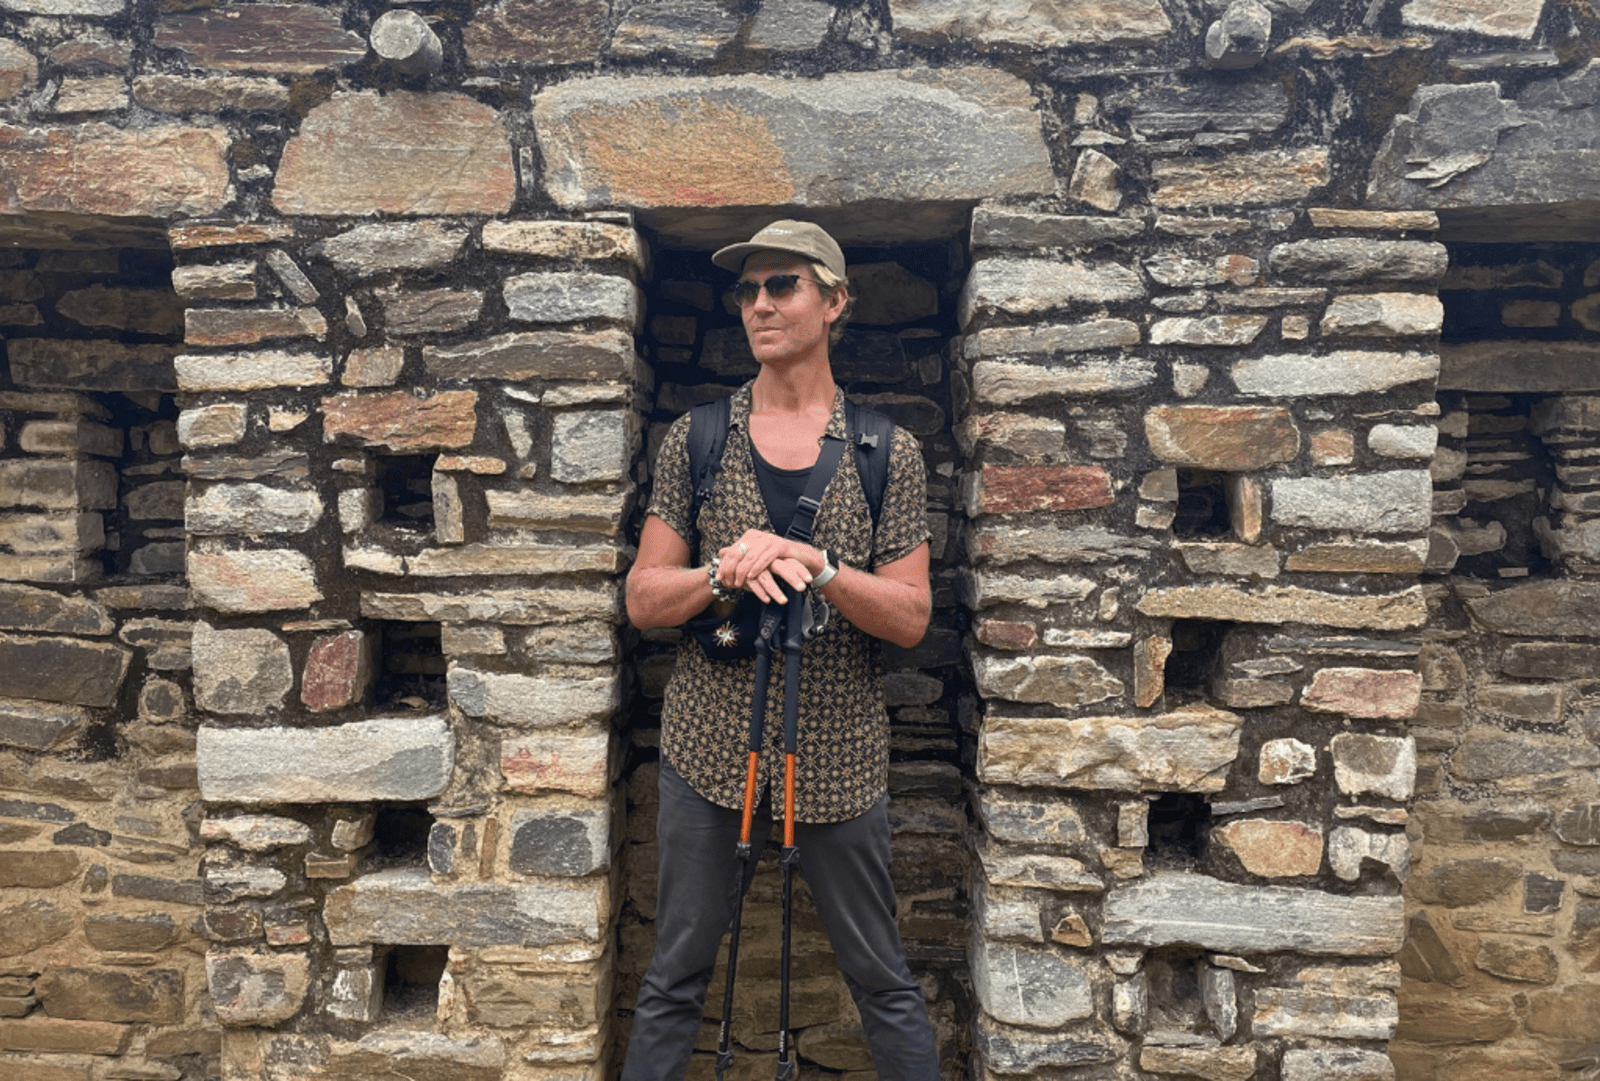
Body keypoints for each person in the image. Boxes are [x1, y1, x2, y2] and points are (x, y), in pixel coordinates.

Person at [621, 220, 939, 1081]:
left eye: (783, 285)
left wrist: (822, 567)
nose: (759, 303)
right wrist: (722, 574)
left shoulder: (885, 452)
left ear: (835, 301)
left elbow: (911, 616)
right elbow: (645, 597)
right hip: (708, 744)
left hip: (837, 750)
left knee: (881, 978)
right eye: (747, 290)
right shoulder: (697, 439)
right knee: (673, 977)